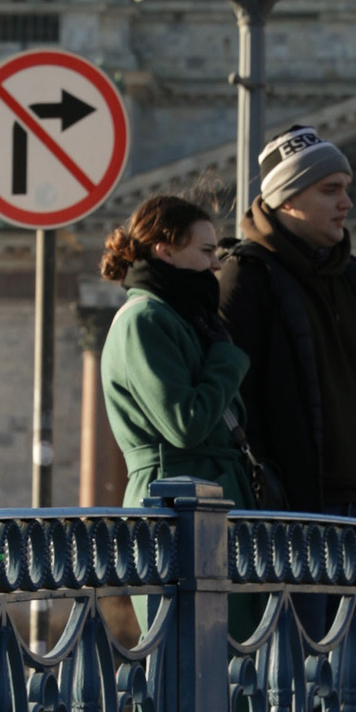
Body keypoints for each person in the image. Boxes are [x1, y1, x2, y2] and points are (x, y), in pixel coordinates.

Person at [217, 126, 356, 523]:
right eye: (330, 190)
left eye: (346, 188)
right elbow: (234, 404)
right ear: (289, 197)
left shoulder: (354, 278)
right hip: (294, 512)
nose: (347, 203)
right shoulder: (246, 277)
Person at [97, 197, 266, 508]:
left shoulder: (184, 320)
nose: (217, 264)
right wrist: (226, 359)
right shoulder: (144, 320)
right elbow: (185, 425)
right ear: (166, 250)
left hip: (206, 501)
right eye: (206, 251)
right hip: (175, 510)